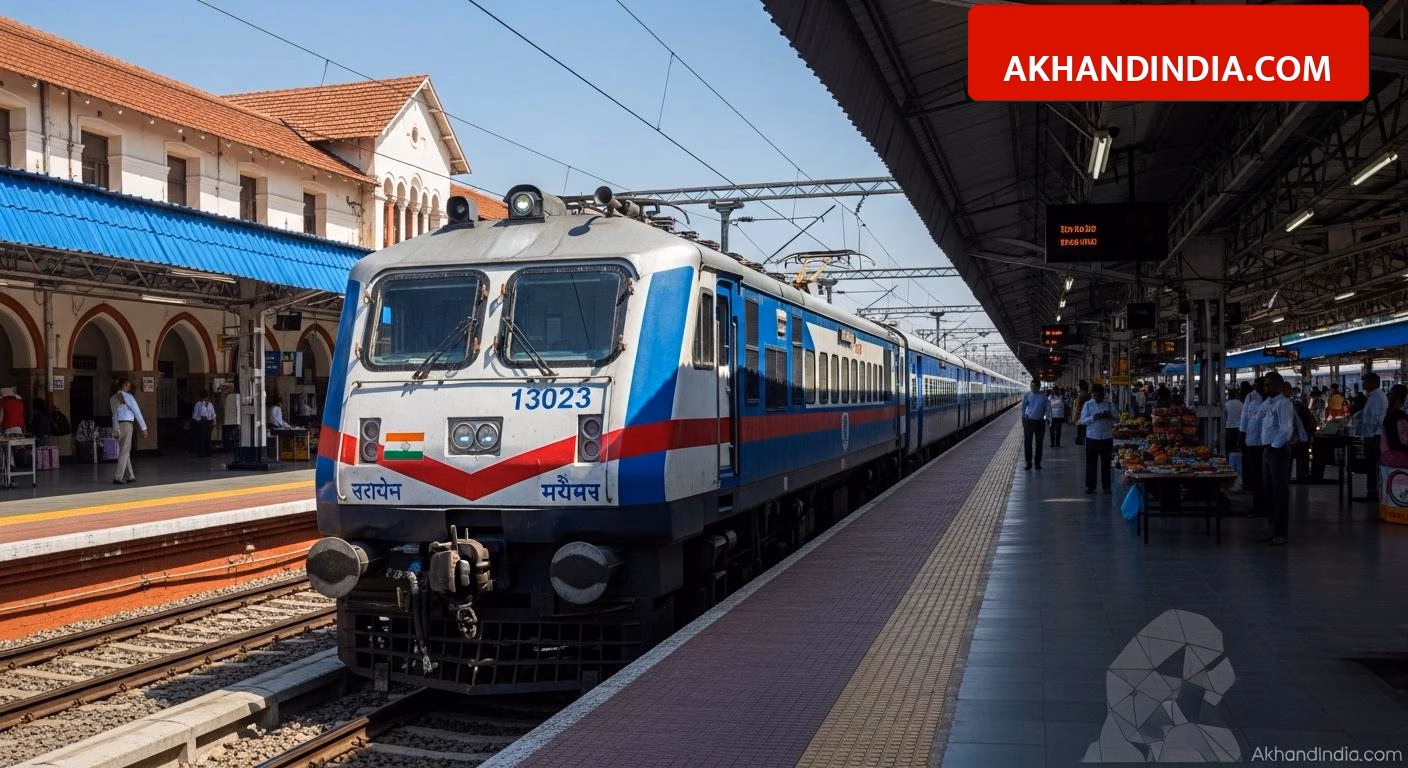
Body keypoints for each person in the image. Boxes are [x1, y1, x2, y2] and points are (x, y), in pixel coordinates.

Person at [1259, 372, 1304, 546]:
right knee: (1269, 492)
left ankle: (1281, 532)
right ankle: (1272, 527)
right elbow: (1256, 416)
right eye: (1265, 385)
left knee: (1279, 492)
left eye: (1269, 384)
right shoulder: (1269, 403)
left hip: (1278, 451)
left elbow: (1286, 429)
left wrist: (1274, 446)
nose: (1266, 388)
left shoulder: (1283, 404)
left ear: (1279, 385)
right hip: (1268, 450)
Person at [110, 377, 147, 484]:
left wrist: (115, 429)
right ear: (124, 385)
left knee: (124, 451)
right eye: (128, 385)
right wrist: (144, 428)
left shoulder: (112, 398)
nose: (129, 387)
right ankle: (118, 477)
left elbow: (114, 414)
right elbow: (137, 411)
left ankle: (131, 475)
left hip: (118, 425)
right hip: (127, 425)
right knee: (124, 451)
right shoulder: (128, 397)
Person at [1081, 383, 1116, 493]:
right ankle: (1091, 486)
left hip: (1107, 437)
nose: (1096, 398)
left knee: (1106, 463)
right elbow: (1083, 420)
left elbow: (1118, 419)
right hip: (1092, 438)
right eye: (1094, 395)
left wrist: (1110, 416)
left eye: (1099, 396)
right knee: (1091, 463)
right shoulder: (1087, 405)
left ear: (1103, 395)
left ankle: (1106, 486)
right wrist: (1093, 417)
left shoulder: (1109, 404)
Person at [1358, 372, 1387, 503]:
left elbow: (1374, 419)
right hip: (1373, 436)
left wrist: (1367, 436)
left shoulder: (1376, 398)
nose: (1364, 384)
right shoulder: (1373, 396)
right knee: (1372, 466)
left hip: (1374, 437)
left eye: (1366, 382)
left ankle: (1373, 493)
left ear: (1373, 383)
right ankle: (1372, 492)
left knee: (1372, 465)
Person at [1240, 378, 1267, 515]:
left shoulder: (1272, 399)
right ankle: (1258, 504)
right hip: (1252, 441)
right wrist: (1242, 435)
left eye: (1259, 385)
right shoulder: (1250, 397)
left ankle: (1267, 505)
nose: (1256, 388)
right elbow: (1244, 417)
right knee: (1255, 474)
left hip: (1267, 443)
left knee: (1266, 476)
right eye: (1255, 386)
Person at [1020, 379, 1049, 470]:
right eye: (1031, 386)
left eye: (1034, 387)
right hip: (1028, 421)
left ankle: (1037, 463)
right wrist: (1023, 417)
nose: (1032, 388)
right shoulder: (1028, 395)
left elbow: (1047, 409)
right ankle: (1028, 463)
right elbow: (1023, 407)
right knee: (1027, 443)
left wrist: (1046, 418)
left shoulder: (1044, 397)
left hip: (1040, 422)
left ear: (1039, 387)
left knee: (1039, 443)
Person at [191, 391, 216, 457]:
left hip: (209, 422)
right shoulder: (198, 404)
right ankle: (201, 453)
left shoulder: (210, 404)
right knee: (202, 438)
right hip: (201, 423)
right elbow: (195, 416)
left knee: (208, 437)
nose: (206, 398)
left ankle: (208, 452)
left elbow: (213, 414)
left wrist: (213, 420)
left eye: (206, 397)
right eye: (204, 397)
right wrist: (200, 418)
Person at [1224, 387, 1244, 455]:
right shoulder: (1241, 404)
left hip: (1229, 427)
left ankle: (1228, 459)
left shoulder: (1226, 404)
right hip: (1239, 428)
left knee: (1228, 447)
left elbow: (1224, 416)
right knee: (1237, 448)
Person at [1071, 380, 1091, 446]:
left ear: (1084, 391)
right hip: (1081, 421)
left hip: (1085, 422)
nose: (1079, 393)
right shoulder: (1081, 398)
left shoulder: (1087, 399)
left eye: (1080, 391)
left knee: (1085, 437)